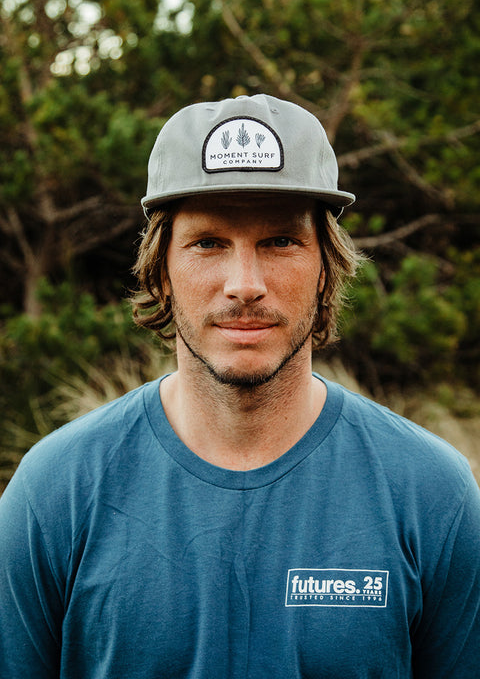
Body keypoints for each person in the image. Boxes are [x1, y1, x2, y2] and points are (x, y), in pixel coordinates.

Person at [0, 94, 479, 678]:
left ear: (326, 265)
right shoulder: (56, 492)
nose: (244, 284)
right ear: (161, 269)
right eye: (208, 243)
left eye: (280, 241)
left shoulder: (432, 495)